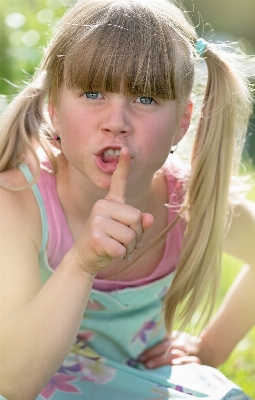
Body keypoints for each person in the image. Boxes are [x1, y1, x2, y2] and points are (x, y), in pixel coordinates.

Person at [0, 0, 254, 398]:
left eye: (146, 99)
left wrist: (211, 347)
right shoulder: (16, 202)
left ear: (181, 122)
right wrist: (82, 262)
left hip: (141, 382)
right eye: (93, 92)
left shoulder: (186, 204)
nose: (116, 122)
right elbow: (13, 381)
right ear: (53, 108)